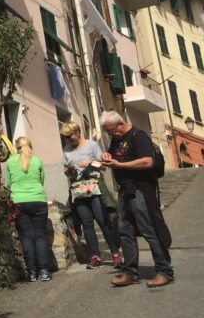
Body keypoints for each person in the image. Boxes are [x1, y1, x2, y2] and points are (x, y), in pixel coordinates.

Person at [98, 111, 174, 288]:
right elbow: (112, 159)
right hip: (125, 191)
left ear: (121, 124)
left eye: (111, 131)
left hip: (141, 190)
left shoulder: (138, 136)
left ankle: (164, 271)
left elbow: (147, 162)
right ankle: (130, 272)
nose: (110, 135)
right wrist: (106, 157)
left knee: (149, 230)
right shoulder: (117, 139)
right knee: (125, 231)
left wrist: (120, 165)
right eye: (108, 132)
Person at [60, 121, 122, 269]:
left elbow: (104, 166)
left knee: (103, 221)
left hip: (94, 188)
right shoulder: (67, 149)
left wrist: (91, 162)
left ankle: (115, 253)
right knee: (87, 224)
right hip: (78, 190)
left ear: (77, 132)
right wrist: (69, 171)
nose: (68, 139)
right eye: (66, 137)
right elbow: (65, 171)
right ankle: (94, 256)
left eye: (70, 136)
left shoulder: (91, 145)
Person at [6, 136, 51, 281]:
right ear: (30, 146)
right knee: (39, 235)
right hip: (38, 199)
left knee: (27, 236)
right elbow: (41, 180)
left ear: (16, 147)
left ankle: (31, 272)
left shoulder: (10, 162)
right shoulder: (37, 161)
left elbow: (8, 183)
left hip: (19, 201)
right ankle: (44, 271)